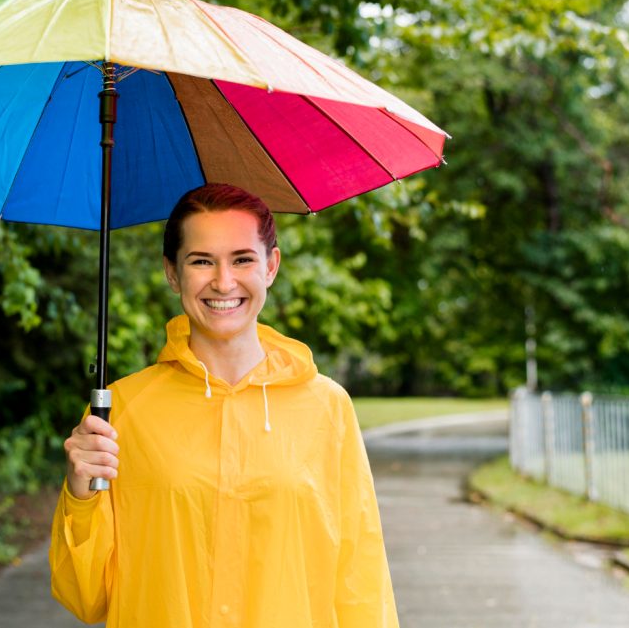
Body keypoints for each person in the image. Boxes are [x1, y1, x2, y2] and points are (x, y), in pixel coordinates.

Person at [49, 183, 398, 627]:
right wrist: (81, 494)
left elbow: (361, 579)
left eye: (242, 259)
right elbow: (86, 598)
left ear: (270, 266)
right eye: (201, 261)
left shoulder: (327, 408)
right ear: (172, 273)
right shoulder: (121, 413)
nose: (223, 281)